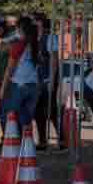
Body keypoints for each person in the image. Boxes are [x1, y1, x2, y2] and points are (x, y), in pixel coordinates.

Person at [0, 16, 42, 135]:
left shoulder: (19, 45)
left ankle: (14, 143)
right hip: (34, 86)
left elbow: (9, 69)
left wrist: (3, 89)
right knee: (26, 120)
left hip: (19, 85)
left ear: (20, 28)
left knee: (11, 117)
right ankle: (27, 144)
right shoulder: (35, 44)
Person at [33, 14, 61, 152]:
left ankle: (62, 139)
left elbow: (54, 59)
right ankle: (42, 141)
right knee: (38, 110)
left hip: (49, 78)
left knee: (51, 110)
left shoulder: (49, 37)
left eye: (34, 21)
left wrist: (52, 78)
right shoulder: (34, 39)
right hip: (37, 79)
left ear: (40, 23)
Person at [0, 14, 20, 133]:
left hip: (11, 79)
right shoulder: (6, 36)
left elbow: (1, 47)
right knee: (2, 108)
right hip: (3, 77)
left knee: (8, 108)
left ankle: (11, 135)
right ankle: (6, 135)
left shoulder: (16, 36)